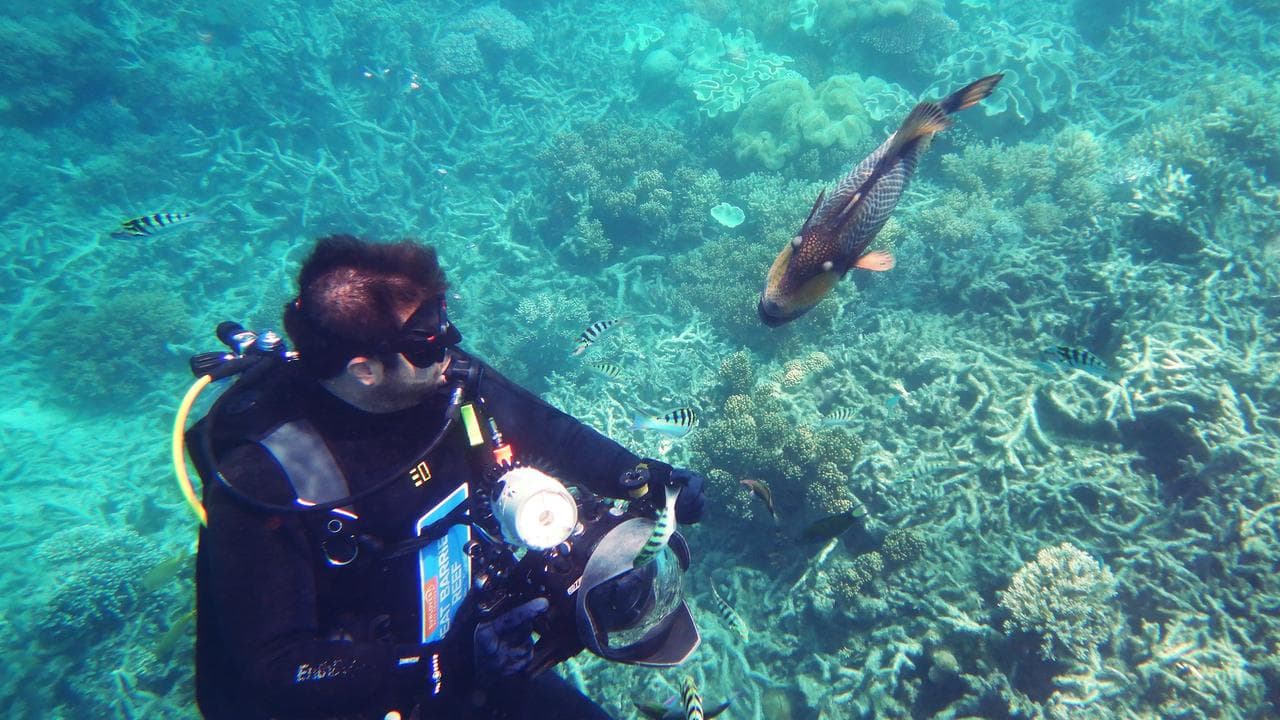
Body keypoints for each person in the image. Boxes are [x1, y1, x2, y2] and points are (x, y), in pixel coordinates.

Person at [190, 235, 707, 720]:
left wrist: (642, 479)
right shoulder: (264, 481)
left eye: (442, 323)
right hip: (378, 695)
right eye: (426, 341)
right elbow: (277, 668)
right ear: (364, 370)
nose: (449, 347)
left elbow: (546, 428)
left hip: (470, 655)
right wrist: (437, 666)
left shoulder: (441, 376)